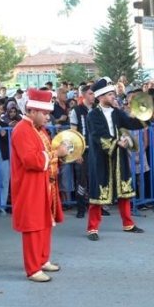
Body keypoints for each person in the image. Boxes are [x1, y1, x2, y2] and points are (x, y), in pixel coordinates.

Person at [10, 88, 68, 282]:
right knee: (33, 225)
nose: (47, 118)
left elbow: (47, 154)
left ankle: (42, 260)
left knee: (45, 223)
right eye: (44, 113)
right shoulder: (21, 130)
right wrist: (56, 154)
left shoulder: (39, 129)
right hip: (30, 185)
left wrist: (61, 155)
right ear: (32, 111)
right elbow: (31, 161)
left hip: (45, 183)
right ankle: (33, 268)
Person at [86, 78, 147, 240]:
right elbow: (97, 135)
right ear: (101, 97)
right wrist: (117, 142)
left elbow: (131, 123)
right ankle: (92, 228)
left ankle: (128, 223)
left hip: (119, 157)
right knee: (98, 194)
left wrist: (142, 113)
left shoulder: (117, 112)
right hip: (100, 158)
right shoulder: (92, 115)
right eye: (111, 94)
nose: (114, 97)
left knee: (124, 192)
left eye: (114, 94)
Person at [70, 84, 94, 219]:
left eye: (93, 94)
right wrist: (77, 153)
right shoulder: (76, 111)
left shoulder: (97, 110)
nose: (93, 96)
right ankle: (81, 208)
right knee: (81, 180)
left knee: (95, 179)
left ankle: (97, 207)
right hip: (83, 151)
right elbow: (73, 133)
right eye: (90, 94)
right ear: (84, 95)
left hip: (95, 150)